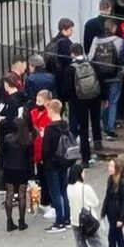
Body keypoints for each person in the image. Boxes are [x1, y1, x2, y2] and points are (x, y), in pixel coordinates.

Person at [67, 164, 122, 247]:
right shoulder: (84, 188)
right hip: (88, 221)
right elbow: (95, 202)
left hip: (75, 221)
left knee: (80, 246)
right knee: (98, 245)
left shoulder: (69, 188)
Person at [61, 43, 103, 166]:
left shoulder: (70, 68)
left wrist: (66, 99)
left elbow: (67, 88)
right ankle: (98, 141)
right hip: (95, 98)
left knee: (83, 128)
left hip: (78, 101)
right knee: (95, 120)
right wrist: (104, 97)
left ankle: (86, 157)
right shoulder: (92, 64)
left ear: (72, 53)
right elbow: (100, 80)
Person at [88, 19, 124, 139]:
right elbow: (121, 58)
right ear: (113, 28)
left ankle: (102, 125)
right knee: (113, 101)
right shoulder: (119, 41)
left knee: (103, 101)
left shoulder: (96, 40)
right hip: (115, 76)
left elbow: (90, 57)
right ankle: (110, 128)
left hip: (100, 76)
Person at [42, 99, 72, 232]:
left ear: (51, 111)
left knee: (56, 193)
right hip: (64, 162)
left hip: (52, 164)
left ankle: (59, 221)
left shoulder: (50, 129)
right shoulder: (65, 125)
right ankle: (67, 218)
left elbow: (46, 150)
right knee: (64, 191)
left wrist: (44, 160)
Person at [0, 118, 32, 232]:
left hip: (9, 168)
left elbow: (2, 154)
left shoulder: (8, 139)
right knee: (22, 195)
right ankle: (22, 221)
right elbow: (29, 158)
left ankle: (9, 221)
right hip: (22, 169)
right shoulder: (27, 140)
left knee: (9, 194)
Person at [30, 90, 55, 219]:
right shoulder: (33, 113)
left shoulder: (49, 116)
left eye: (40, 101)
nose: (37, 104)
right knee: (40, 177)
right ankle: (44, 201)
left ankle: (50, 204)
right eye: (37, 101)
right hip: (36, 151)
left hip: (45, 151)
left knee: (48, 179)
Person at [45, 18, 74, 84]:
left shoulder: (53, 41)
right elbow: (68, 60)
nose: (72, 31)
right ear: (64, 30)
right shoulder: (66, 43)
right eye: (71, 29)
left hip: (53, 73)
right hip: (63, 74)